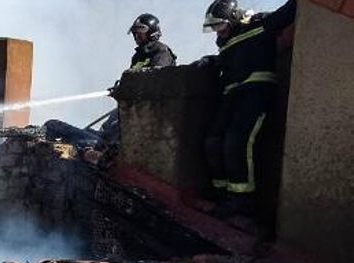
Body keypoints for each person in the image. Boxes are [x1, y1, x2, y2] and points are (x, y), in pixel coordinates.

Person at [201, 0, 297, 218]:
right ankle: (222, 193)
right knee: (213, 141)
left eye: (221, 25)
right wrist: (211, 61)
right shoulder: (224, 42)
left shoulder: (261, 24)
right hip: (231, 94)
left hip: (256, 90)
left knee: (237, 141)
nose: (218, 31)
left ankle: (241, 199)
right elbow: (229, 60)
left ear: (234, 18)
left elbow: (291, 10)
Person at [100, 14, 178, 145]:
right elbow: (132, 79)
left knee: (117, 134)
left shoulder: (161, 52)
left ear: (152, 33)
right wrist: (120, 90)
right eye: (135, 33)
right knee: (106, 129)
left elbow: (155, 80)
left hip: (151, 109)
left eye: (140, 32)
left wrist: (127, 89)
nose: (136, 36)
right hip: (133, 105)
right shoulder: (138, 56)